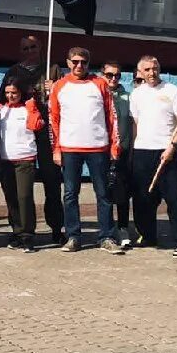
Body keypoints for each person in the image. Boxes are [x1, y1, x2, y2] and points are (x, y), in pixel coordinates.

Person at [49, 46, 122, 254]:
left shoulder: (100, 84)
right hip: (70, 149)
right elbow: (53, 121)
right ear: (68, 62)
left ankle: (106, 236)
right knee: (70, 194)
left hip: (98, 148)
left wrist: (114, 145)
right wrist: (56, 149)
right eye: (75, 61)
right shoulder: (59, 87)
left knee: (103, 194)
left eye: (83, 62)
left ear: (89, 64)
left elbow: (111, 117)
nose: (79, 65)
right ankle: (73, 236)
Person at [1, 34, 63, 244]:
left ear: (40, 48)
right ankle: (19, 229)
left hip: (45, 133)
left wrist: (54, 90)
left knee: (52, 182)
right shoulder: (13, 71)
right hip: (20, 134)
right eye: (25, 48)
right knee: (17, 190)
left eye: (33, 47)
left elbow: (65, 98)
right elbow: (3, 100)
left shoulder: (52, 69)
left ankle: (56, 227)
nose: (29, 52)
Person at [129, 56, 177, 257]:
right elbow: (135, 125)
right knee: (142, 199)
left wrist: (172, 147)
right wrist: (132, 150)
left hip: (166, 152)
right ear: (140, 72)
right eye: (147, 69)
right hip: (142, 152)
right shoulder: (136, 94)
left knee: (175, 200)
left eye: (155, 68)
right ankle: (148, 236)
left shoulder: (173, 91)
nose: (151, 72)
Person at [0, 80, 44, 252]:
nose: (10, 96)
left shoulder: (27, 109)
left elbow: (36, 125)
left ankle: (28, 234)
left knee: (24, 197)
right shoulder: (0, 110)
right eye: (7, 92)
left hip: (25, 159)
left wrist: (32, 105)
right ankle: (17, 231)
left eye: (14, 92)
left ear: (20, 93)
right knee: (11, 198)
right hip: (5, 160)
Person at [102, 60, 135, 250]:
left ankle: (123, 227)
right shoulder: (97, 93)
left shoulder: (128, 97)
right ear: (102, 74)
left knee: (122, 192)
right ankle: (106, 230)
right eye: (109, 75)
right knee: (104, 192)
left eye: (117, 75)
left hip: (122, 150)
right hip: (101, 150)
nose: (113, 79)